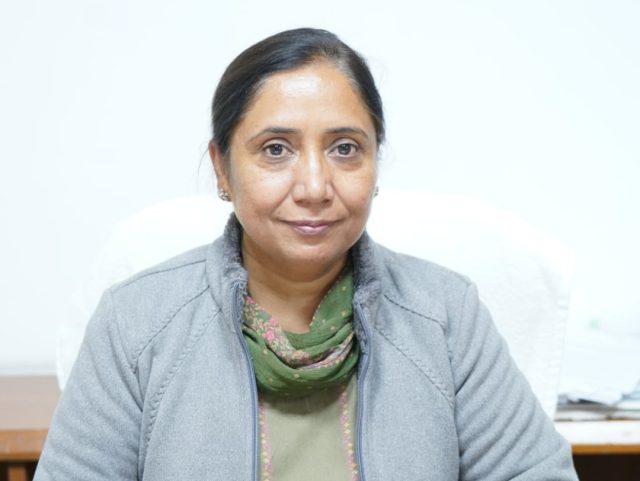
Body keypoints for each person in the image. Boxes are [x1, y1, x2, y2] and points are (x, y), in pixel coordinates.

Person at [34, 28, 578, 481]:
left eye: (345, 149)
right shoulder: (135, 323)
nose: (315, 186)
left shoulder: (446, 316)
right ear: (222, 168)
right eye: (276, 149)